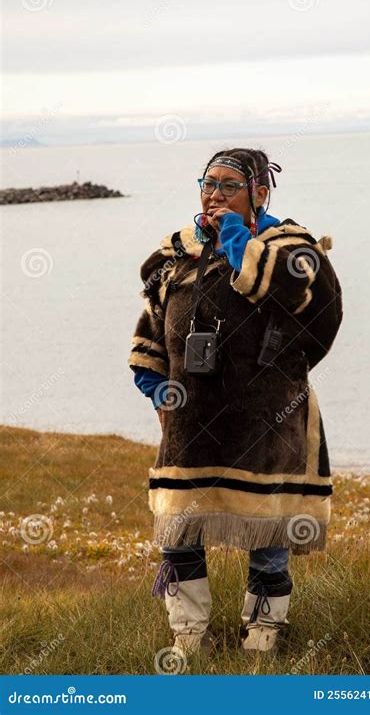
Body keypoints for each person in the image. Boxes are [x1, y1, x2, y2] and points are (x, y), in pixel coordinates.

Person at [128, 147, 343, 662]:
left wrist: (239, 244)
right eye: (208, 183)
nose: (214, 194)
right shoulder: (177, 255)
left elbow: (316, 319)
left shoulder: (294, 251)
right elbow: (151, 334)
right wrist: (157, 387)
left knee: (267, 538)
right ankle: (188, 638)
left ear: (260, 193)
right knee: (179, 535)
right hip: (191, 426)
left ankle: (261, 643)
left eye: (229, 185)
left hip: (269, 425)